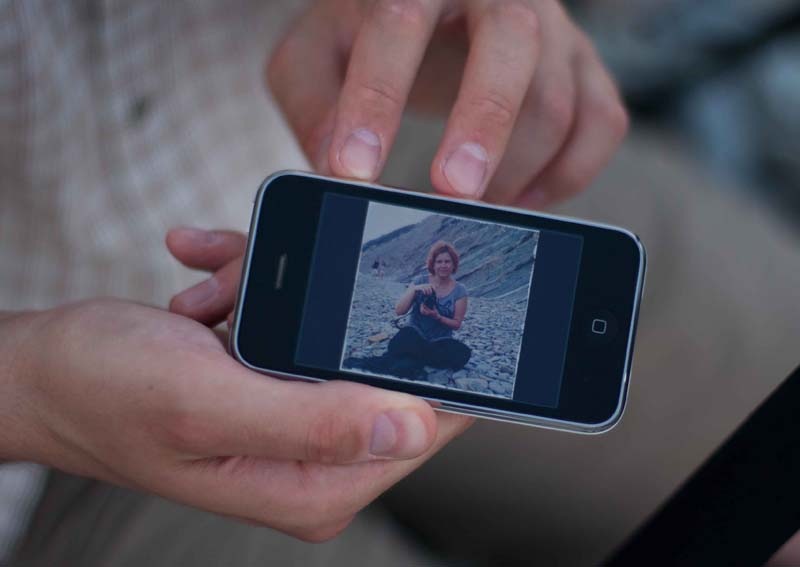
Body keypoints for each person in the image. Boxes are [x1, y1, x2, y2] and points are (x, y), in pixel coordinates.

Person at [0, 1, 632, 564]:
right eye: (436, 264)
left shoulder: (458, 288)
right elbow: (404, 313)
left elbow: (453, 325)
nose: (441, 269)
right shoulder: (422, 281)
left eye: (445, 265)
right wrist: (26, 395)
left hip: (340, 152)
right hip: (39, 478)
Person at [346, 241, 471, 381]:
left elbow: (456, 324)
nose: (443, 265)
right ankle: (417, 361)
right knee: (405, 339)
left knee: (463, 353)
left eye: (447, 261)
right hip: (415, 336)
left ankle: (411, 360)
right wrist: (414, 289)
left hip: (439, 341)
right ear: (433, 264)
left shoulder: (460, 290)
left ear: (454, 264)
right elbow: (399, 311)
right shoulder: (420, 280)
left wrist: (437, 316)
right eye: (439, 262)